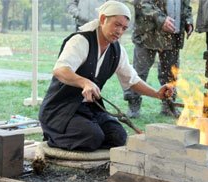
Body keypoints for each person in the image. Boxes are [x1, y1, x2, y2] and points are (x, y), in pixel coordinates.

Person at [39, 1, 174, 152]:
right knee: (92, 137)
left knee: (118, 136)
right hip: (60, 108)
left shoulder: (117, 50)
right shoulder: (81, 41)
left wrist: (156, 94)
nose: (119, 31)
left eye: (124, 28)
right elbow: (60, 69)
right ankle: (53, 134)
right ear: (103, 19)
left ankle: (87, 133)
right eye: (117, 25)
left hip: (89, 108)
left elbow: (132, 80)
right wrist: (84, 82)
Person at [124, 0, 194, 119]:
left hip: (173, 36)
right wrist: (161, 19)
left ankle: (168, 105)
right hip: (147, 34)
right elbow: (142, 3)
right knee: (139, 72)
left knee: (171, 74)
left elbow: (185, 5)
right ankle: (133, 105)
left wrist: (188, 20)